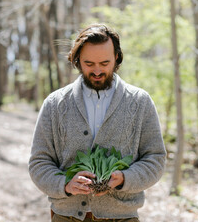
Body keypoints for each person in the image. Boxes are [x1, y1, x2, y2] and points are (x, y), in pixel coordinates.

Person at [29, 24, 166, 222]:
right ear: (77, 61)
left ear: (117, 57)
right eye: (89, 63)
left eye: (104, 63)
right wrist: (65, 184)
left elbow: (155, 158)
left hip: (122, 217)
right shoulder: (55, 104)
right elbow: (39, 163)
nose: (97, 70)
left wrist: (125, 178)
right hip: (66, 217)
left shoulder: (140, 102)